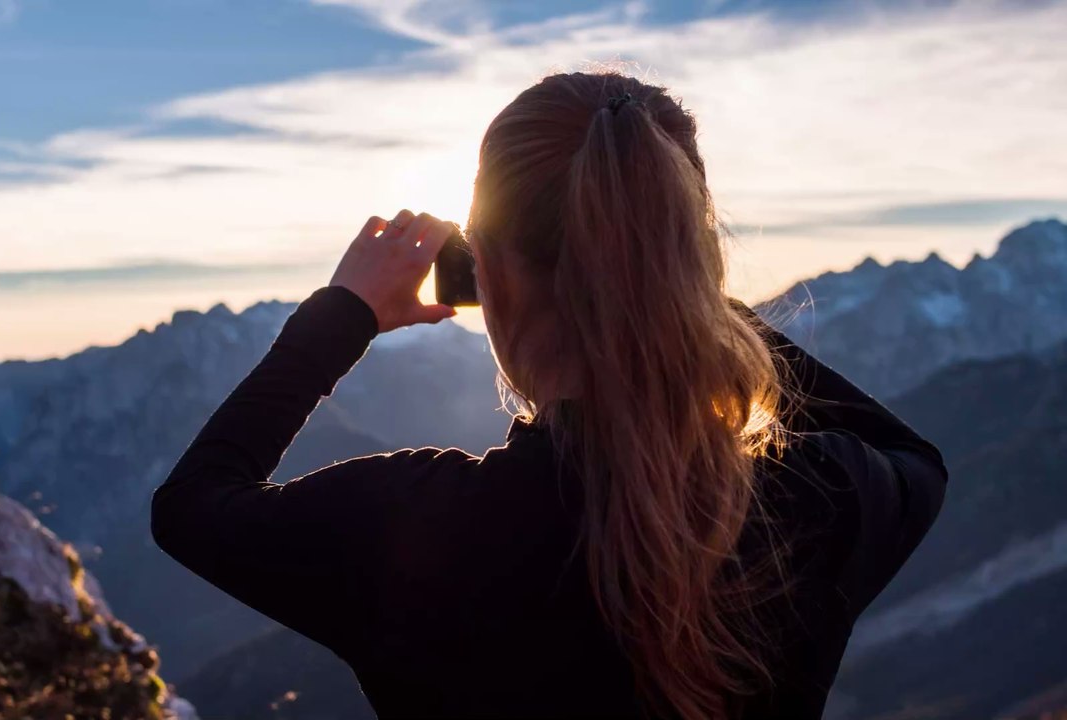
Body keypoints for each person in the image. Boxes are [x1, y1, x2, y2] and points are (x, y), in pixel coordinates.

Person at [150, 71, 948, 720]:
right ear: (690, 263)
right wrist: (681, 299)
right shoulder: (814, 504)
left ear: (486, 273)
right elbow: (915, 460)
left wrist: (343, 315)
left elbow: (191, 505)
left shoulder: (408, 528)